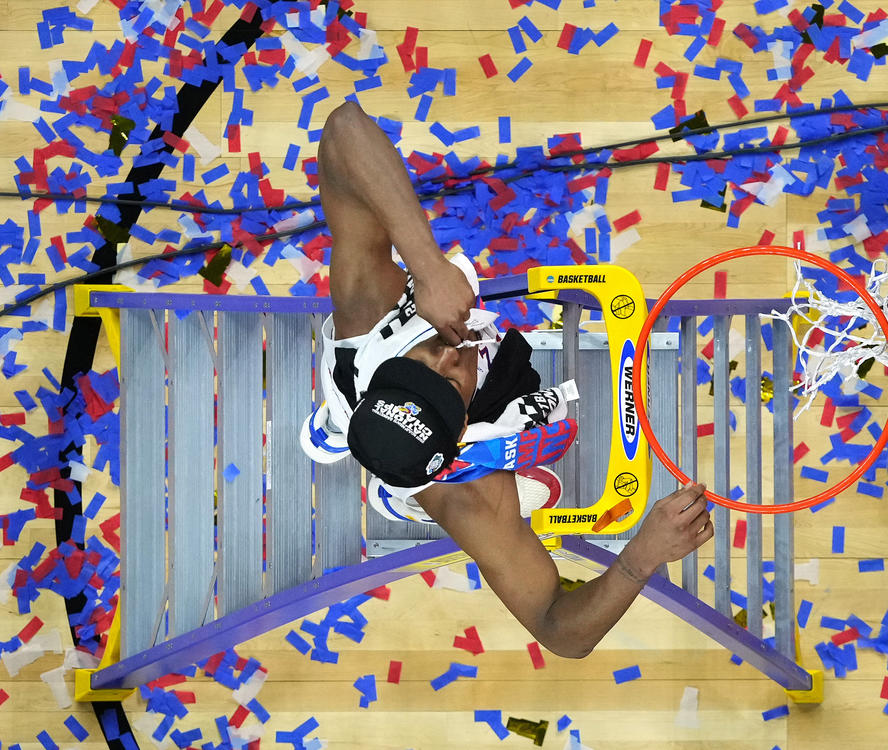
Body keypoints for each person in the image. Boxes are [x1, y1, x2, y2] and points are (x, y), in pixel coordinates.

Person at [302, 101, 713, 659]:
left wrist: (425, 266)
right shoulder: (467, 495)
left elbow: (343, 129)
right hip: (465, 454)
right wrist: (644, 553)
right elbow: (560, 632)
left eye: (420, 365)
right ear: (461, 431)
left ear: (389, 375)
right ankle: (401, 494)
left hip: (385, 369)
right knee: (496, 477)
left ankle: (347, 425)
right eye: (450, 385)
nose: (450, 356)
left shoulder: (367, 311)